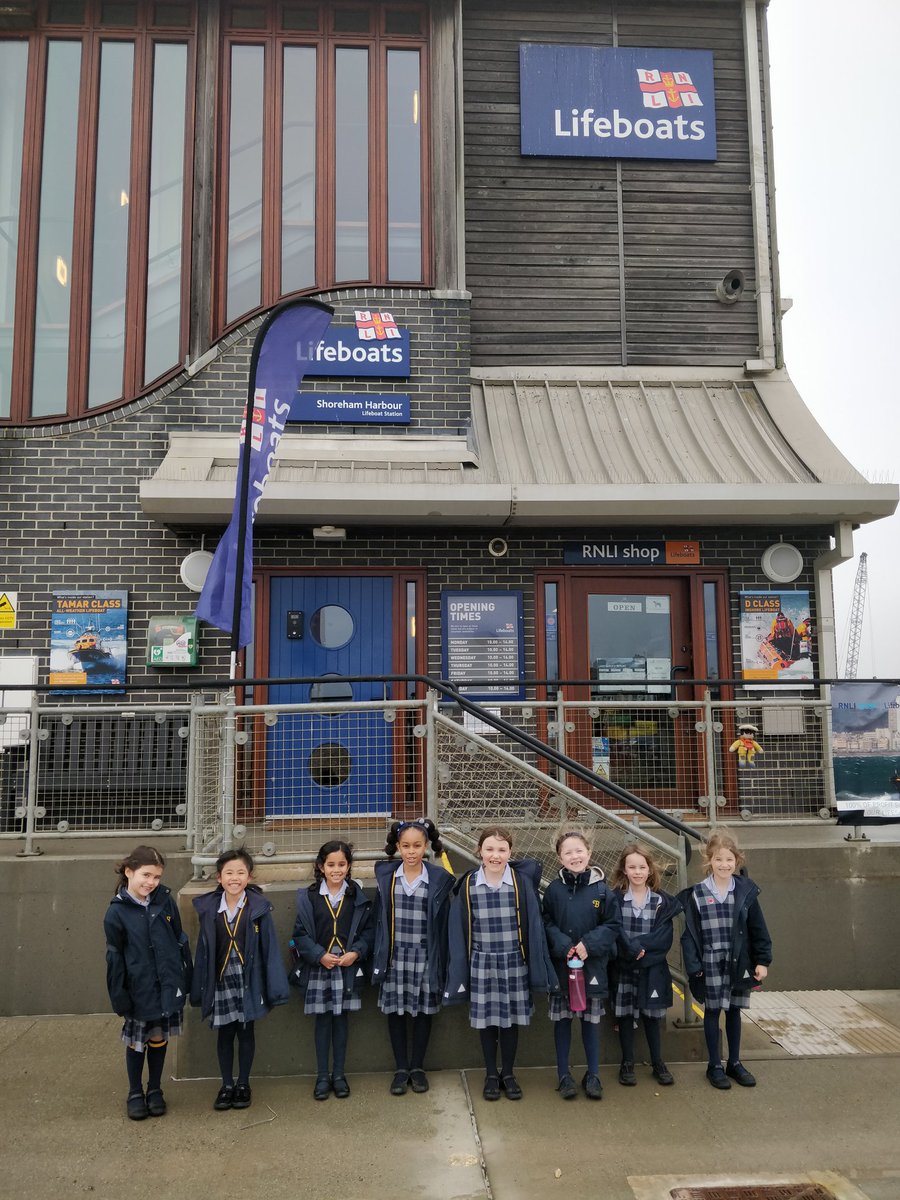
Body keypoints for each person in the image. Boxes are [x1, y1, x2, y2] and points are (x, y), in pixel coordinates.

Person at [444, 825, 557, 1101]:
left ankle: (508, 1072)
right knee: (487, 1022)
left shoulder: (521, 884)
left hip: (514, 962)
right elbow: (458, 930)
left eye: (502, 850)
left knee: (509, 1022)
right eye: (489, 849)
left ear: (511, 852)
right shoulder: (469, 885)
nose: (495, 855)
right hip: (481, 963)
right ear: (479, 851)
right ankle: (491, 1074)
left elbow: (533, 926)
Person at [191, 847, 289, 1111]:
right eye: (229, 873)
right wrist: (198, 986)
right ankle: (226, 1084)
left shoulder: (258, 908)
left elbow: (270, 950)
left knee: (246, 1032)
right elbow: (203, 951)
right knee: (225, 1033)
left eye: (241, 872)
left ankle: (244, 1083)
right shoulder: (210, 908)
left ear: (250, 876)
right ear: (219, 877)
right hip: (222, 979)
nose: (235, 878)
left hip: (248, 979)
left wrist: (274, 986)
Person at [103, 845, 192, 1121]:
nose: (151, 882)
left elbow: (179, 940)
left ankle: (155, 1089)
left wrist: (184, 978)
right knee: (136, 1041)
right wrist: (119, 995)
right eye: (146, 875)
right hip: (138, 988)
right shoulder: (116, 913)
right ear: (129, 872)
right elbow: (114, 959)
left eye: (156, 877)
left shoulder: (165, 901)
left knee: (158, 1036)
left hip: (166, 984)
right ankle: (134, 1092)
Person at [679, 831, 772, 1090]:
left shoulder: (745, 892)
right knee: (711, 1011)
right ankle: (714, 1065)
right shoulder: (697, 894)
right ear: (709, 861)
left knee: (733, 1011)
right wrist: (695, 968)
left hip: (738, 961)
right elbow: (689, 936)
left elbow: (758, 930)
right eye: (719, 859)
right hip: (710, 962)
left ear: (737, 861)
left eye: (729, 860)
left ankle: (734, 1062)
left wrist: (762, 961)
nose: (724, 865)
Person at [371, 818, 455, 1096]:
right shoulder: (387, 877)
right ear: (397, 846)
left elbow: (444, 923)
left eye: (417, 846)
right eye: (405, 846)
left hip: (425, 956)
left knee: (422, 1013)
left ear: (426, 846)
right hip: (395, 956)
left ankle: (417, 1067)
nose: (411, 851)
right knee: (396, 1012)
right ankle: (400, 1068)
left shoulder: (438, 878)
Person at [290, 840, 373, 1100]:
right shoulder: (310, 896)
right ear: (320, 866)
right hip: (320, 966)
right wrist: (318, 955)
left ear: (348, 866)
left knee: (341, 1021)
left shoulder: (357, 896)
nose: (336, 870)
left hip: (345, 968)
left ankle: (339, 1074)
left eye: (342, 864)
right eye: (331, 864)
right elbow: (299, 935)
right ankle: (322, 1076)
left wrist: (356, 952)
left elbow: (369, 932)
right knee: (323, 1021)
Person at [542, 828, 621, 1100]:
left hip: (593, 968)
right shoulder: (553, 890)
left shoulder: (602, 890)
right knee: (562, 1022)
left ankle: (594, 1074)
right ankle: (563, 1075)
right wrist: (564, 946)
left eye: (579, 851)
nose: (574, 856)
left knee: (590, 1022)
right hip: (562, 968)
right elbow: (546, 922)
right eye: (568, 852)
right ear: (559, 857)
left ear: (588, 853)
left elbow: (612, 924)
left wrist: (589, 945)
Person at [608, 842, 682, 1087]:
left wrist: (640, 949)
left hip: (651, 969)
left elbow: (663, 939)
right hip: (625, 968)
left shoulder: (662, 902)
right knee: (626, 1014)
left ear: (650, 870)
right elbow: (615, 932)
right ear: (624, 870)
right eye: (632, 867)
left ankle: (657, 1061)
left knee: (652, 1016)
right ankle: (627, 1061)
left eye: (642, 867)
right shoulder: (616, 900)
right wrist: (630, 951)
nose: (637, 872)